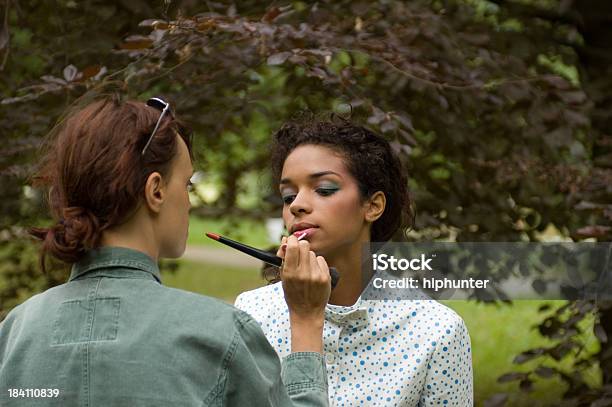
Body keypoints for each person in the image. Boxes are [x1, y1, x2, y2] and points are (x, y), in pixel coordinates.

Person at [0, 96, 332, 406]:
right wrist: (304, 321)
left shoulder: (14, 335)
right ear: (156, 190)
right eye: (186, 184)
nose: (189, 201)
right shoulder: (220, 334)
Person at [235, 117, 473, 406]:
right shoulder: (251, 314)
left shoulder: (436, 332)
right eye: (288, 196)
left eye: (323, 189)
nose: (296, 204)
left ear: (372, 206)